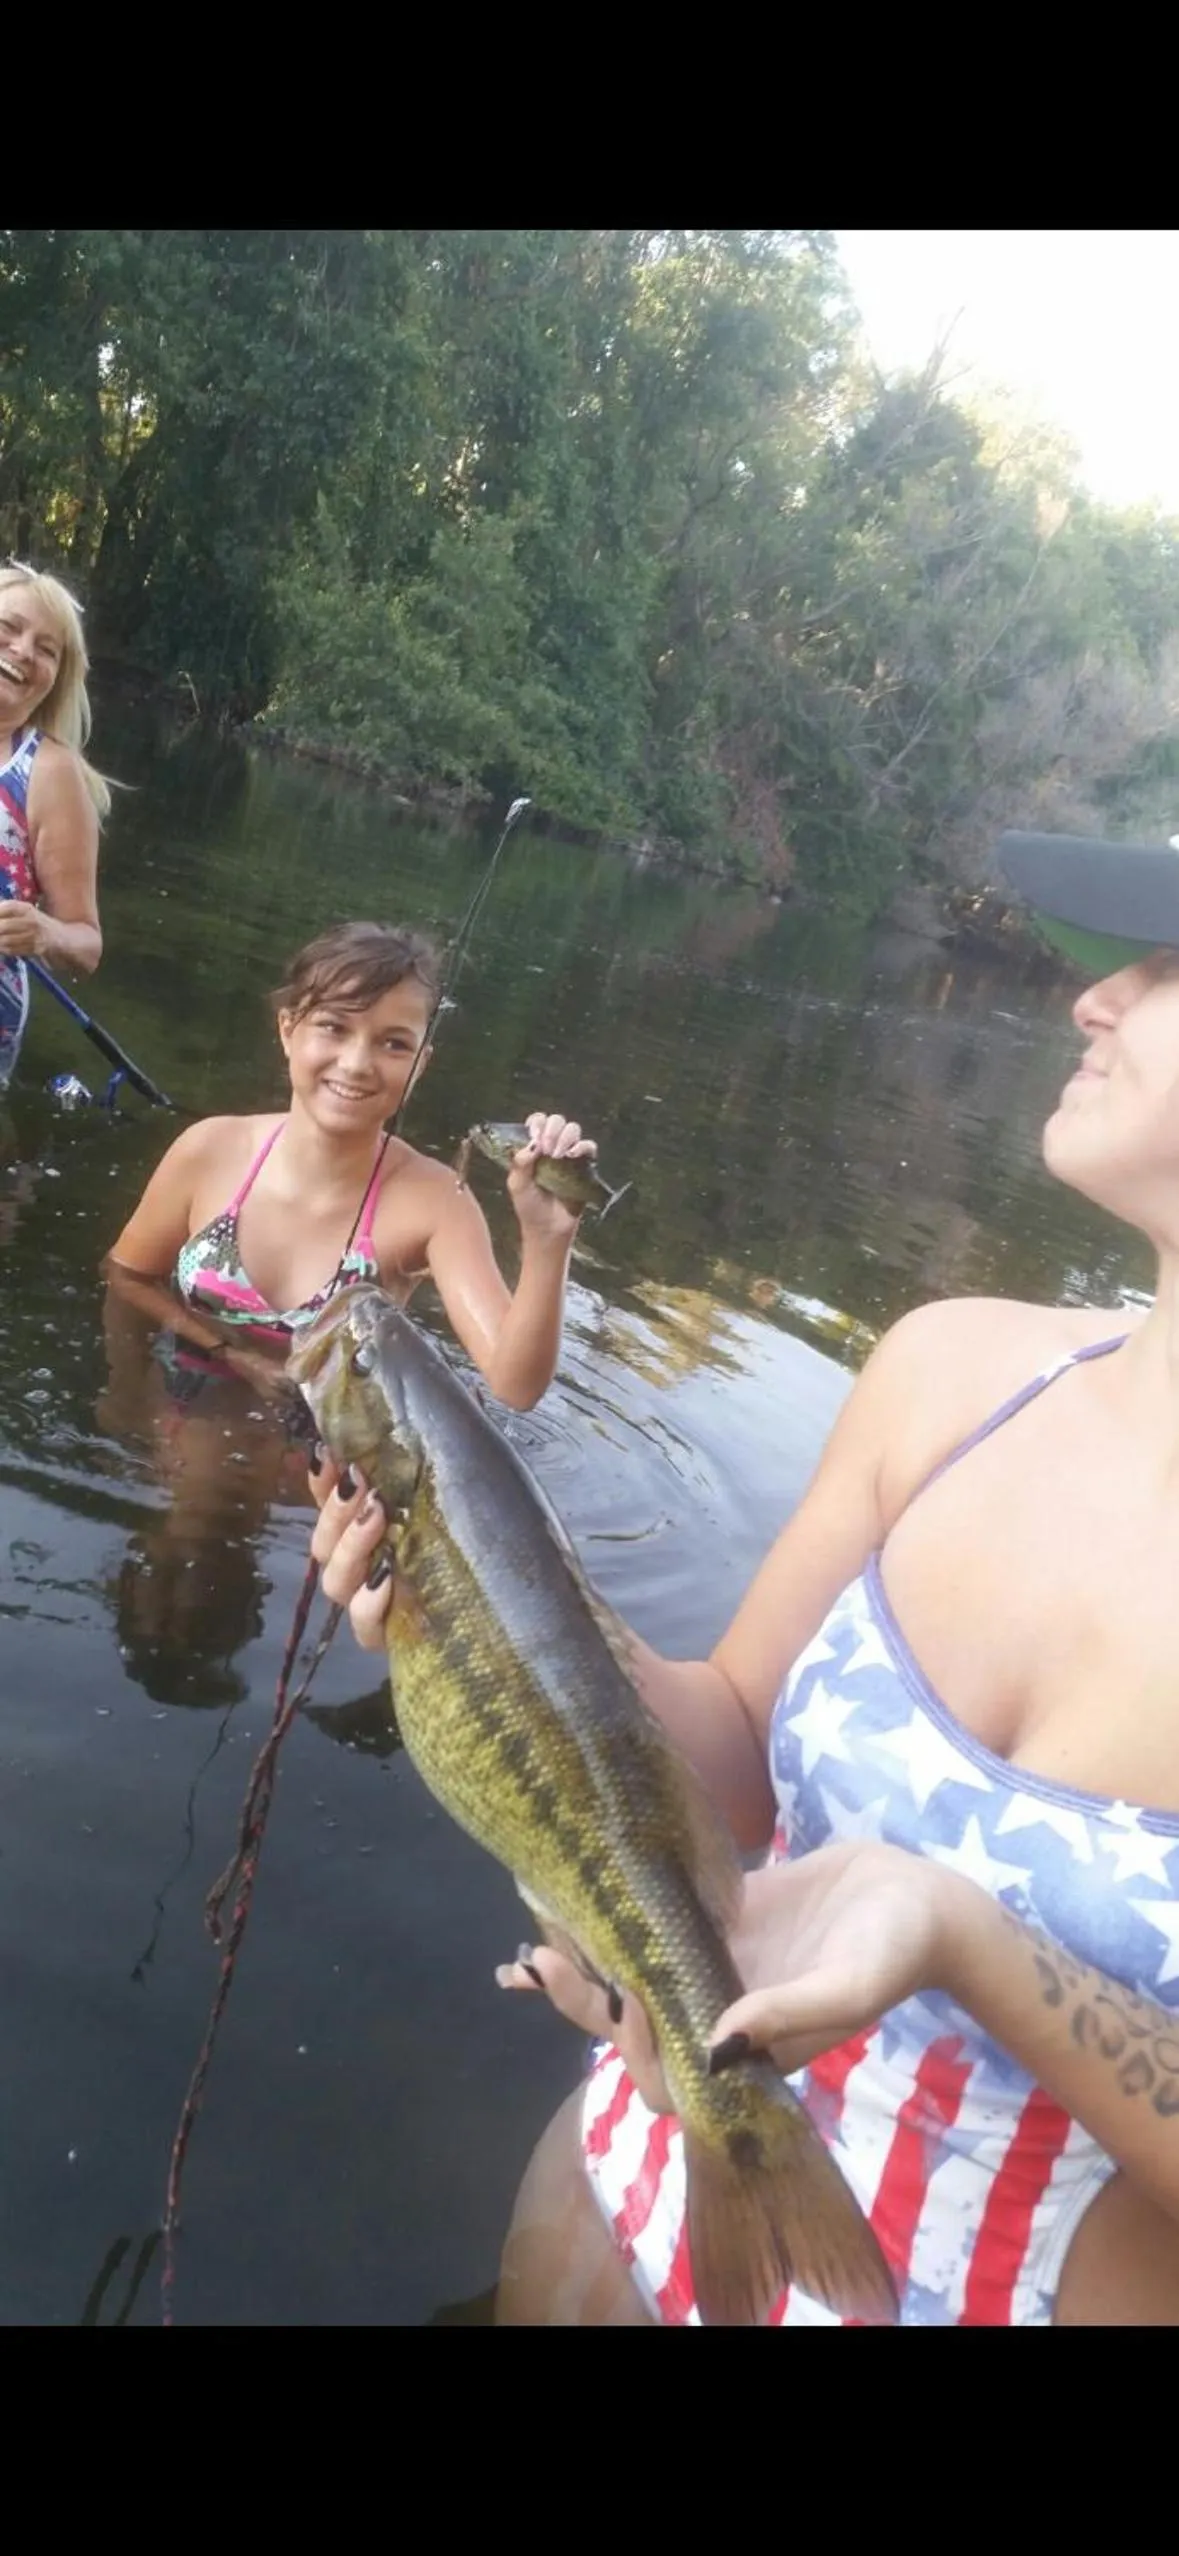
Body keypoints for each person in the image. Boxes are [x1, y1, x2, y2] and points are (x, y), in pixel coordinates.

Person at [305, 828, 1179, 2326]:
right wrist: (491, 1616)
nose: (1087, 1000)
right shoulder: (949, 1370)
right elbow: (715, 1757)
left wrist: (967, 1941)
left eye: (1161, 970)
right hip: (636, 2184)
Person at [104, 918, 598, 1413]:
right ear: (287, 1030)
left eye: (394, 1043)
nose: (357, 1063)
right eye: (334, 1027)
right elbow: (128, 1278)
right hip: (188, 1418)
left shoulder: (436, 1202)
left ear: (420, 1065)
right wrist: (203, 1367)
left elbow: (515, 1387)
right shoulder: (208, 1150)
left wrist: (548, 1240)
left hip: (329, 1472)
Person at [0, 562, 107, 1089]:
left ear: (55, 679)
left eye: (46, 649)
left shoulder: (50, 773)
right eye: (8, 629)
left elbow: (86, 944)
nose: (22, 652)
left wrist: (42, 931)